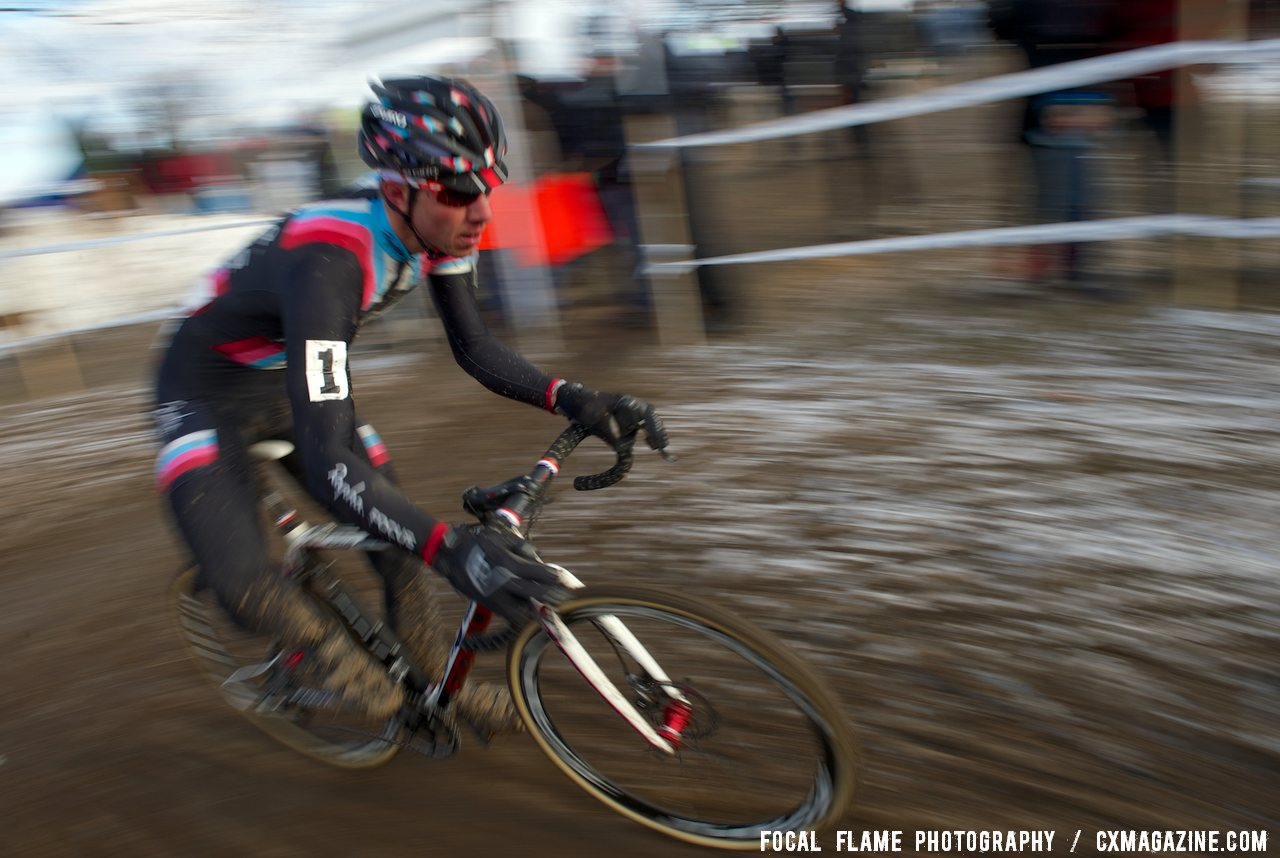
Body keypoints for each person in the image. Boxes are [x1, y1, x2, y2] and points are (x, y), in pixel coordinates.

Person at [153, 75, 668, 731]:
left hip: (281, 376)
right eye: (459, 192)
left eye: (487, 187)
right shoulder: (331, 260)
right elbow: (334, 461)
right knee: (248, 588)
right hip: (202, 392)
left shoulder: (435, 224)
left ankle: (434, 688)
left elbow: (475, 346)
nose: (481, 211)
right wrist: (455, 553)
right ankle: (324, 654)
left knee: (397, 545)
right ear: (397, 189)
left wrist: (574, 398)